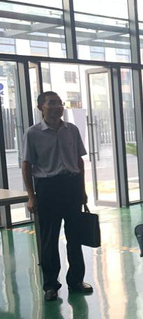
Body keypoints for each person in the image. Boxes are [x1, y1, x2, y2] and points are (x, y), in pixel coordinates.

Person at [22, 91, 92, 301]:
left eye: (59, 103)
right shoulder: (33, 133)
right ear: (40, 107)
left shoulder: (72, 130)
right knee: (49, 239)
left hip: (71, 186)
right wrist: (31, 196)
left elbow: (79, 162)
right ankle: (51, 285)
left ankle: (76, 280)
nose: (57, 107)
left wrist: (82, 190)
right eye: (51, 103)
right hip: (48, 188)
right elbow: (26, 166)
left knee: (75, 237)